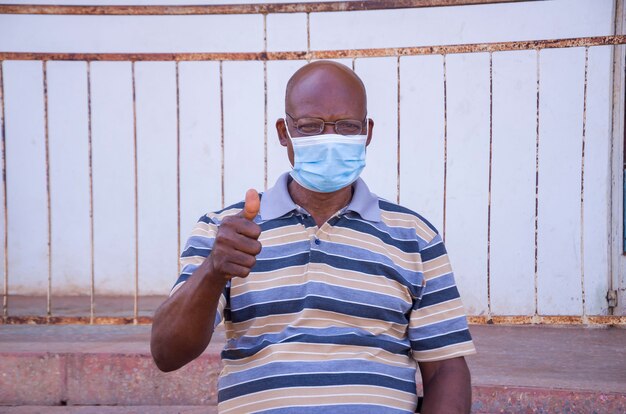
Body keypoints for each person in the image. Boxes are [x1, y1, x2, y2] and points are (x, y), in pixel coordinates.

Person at [151, 60, 476, 413]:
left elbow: (445, 368)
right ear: (283, 132)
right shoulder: (225, 232)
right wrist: (213, 270)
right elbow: (167, 353)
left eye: (346, 126)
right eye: (310, 126)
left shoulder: (414, 237)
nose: (330, 139)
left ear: (367, 132)